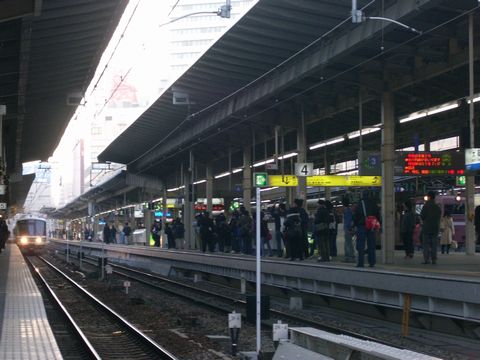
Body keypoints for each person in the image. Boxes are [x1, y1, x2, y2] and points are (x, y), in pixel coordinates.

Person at [353, 190, 380, 268]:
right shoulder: (373, 203)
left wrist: (354, 225)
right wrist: (376, 225)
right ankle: (372, 262)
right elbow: (377, 215)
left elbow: (355, 216)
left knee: (360, 245)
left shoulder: (359, 204)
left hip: (361, 226)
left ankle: (360, 263)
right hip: (371, 227)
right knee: (371, 245)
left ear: (362, 195)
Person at [420, 191, 442, 264]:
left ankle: (427, 259)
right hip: (435, 228)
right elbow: (439, 216)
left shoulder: (426, 206)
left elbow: (422, 216)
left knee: (426, 244)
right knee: (434, 244)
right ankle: (434, 259)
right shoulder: (437, 207)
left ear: (429, 197)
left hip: (427, 228)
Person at [342, 197, 355, 263]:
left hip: (348, 229)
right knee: (347, 243)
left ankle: (351, 257)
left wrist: (348, 229)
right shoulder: (348, 210)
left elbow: (348, 221)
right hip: (348, 228)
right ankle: (347, 257)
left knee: (348, 243)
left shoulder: (347, 211)